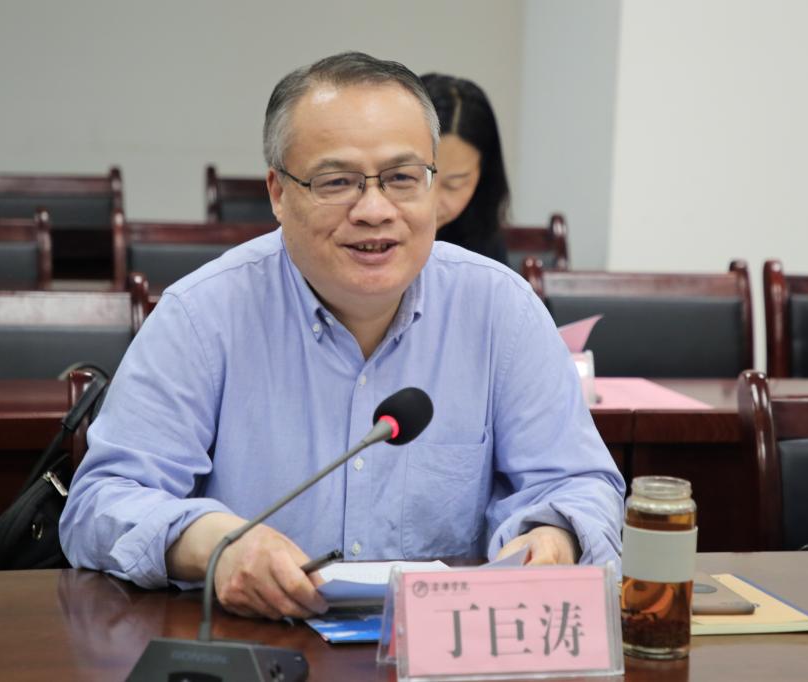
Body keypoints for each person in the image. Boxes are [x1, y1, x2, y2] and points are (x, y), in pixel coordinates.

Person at [60, 52, 623, 621]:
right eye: (336, 182)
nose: (375, 210)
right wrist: (214, 546)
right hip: (255, 642)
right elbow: (99, 503)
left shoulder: (503, 311)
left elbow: (581, 484)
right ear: (278, 193)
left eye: (402, 178)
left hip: (443, 643)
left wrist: (556, 537)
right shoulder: (201, 316)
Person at [421, 73, 510, 265]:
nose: (432, 201)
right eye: (416, 177)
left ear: (483, 176)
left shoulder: (486, 249)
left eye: (454, 185)